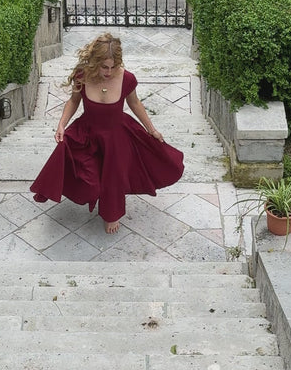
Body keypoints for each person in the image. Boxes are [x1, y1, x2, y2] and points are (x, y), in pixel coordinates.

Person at [30, 32, 185, 233]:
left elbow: (135, 103)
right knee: (89, 182)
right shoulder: (82, 75)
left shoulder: (127, 78)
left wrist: (151, 129)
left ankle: (111, 215)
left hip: (116, 135)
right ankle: (92, 194)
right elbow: (74, 101)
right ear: (95, 61)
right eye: (104, 67)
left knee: (113, 178)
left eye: (113, 66)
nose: (109, 72)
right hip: (86, 134)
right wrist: (61, 125)